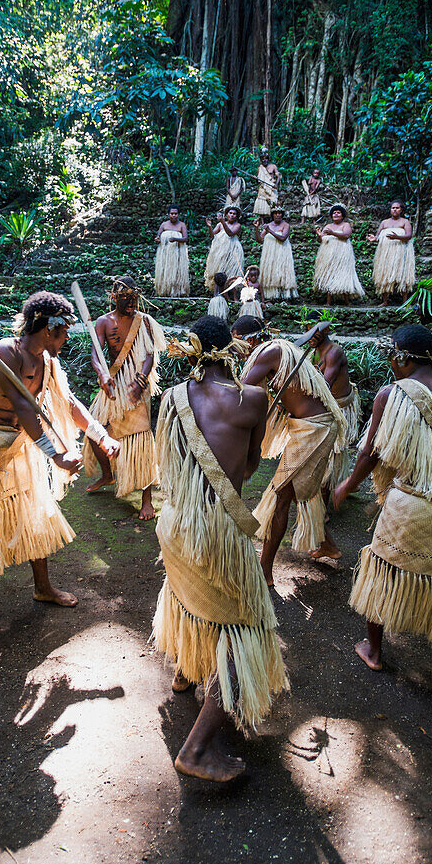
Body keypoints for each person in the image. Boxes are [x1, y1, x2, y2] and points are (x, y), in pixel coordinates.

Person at [0, 291, 121, 643]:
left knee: (35, 514)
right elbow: (22, 405)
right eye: (63, 333)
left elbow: (69, 402)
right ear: (49, 329)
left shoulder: (47, 362)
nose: (66, 340)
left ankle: (43, 588)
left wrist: (100, 436)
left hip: (22, 445)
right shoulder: (5, 353)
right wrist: (56, 455)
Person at [152, 316, 288, 782]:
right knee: (243, 624)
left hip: (176, 521)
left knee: (187, 596)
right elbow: (249, 467)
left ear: (189, 351)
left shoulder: (169, 399)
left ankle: (185, 672)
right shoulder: (252, 400)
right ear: (229, 348)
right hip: (217, 530)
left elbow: (166, 460)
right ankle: (196, 749)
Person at [333, 325, 432, 699]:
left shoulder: (390, 394)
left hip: (407, 501)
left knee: (381, 571)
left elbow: (371, 453)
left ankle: (374, 650)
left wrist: (347, 485)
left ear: (401, 356)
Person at [239, 322, 346, 586]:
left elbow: (241, 391)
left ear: (249, 340)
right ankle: (328, 545)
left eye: (237, 342)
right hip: (311, 426)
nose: (237, 350)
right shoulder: (277, 350)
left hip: (314, 429)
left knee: (281, 495)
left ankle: (265, 570)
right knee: (302, 490)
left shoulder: (269, 352)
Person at [82, 276, 166, 521]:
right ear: (115, 298)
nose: (131, 305)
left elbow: (150, 354)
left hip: (137, 384)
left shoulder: (145, 322)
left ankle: (147, 500)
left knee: (140, 440)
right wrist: (102, 375)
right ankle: (108, 475)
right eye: (126, 300)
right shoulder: (103, 322)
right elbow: (96, 354)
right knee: (95, 430)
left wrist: (140, 380)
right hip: (113, 383)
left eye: (134, 300)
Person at [306, 320, 361, 504]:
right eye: (307, 332)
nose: (310, 337)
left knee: (331, 452)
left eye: (314, 333)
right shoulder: (314, 351)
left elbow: (324, 386)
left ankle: (323, 504)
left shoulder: (334, 352)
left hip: (340, 406)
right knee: (334, 450)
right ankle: (347, 482)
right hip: (330, 403)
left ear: (326, 330)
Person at [312, 204, 365, 305]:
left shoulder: (345, 225)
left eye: (338, 212)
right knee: (328, 274)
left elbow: (346, 235)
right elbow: (321, 240)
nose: (336, 214)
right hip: (328, 254)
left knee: (343, 275)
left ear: (342, 215)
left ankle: (347, 301)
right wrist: (319, 236)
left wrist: (332, 233)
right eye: (334, 212)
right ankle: (328, 302)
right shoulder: (328, 226)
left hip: (342, 253)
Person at [368, 200, 415, 306]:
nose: (395, 210)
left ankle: (404, 301)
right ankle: (385, 301)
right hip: (385, 253)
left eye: (397, 208)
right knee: (384, 274)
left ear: (401, 210)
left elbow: (408, 236)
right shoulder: (384, 222)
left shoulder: (405, 222)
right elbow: (378, 236)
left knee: (403, 275)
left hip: (400, 252)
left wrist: (397, 237)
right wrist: (373, 239)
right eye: (393, 208)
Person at [254, 207, 298, 300]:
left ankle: (285, 296)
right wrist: (256, 228)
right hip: (270, 253)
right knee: (271, 271)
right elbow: (260, 240)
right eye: (275, 213)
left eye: (280, 213)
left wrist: (270, 231)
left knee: (283, 271)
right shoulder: (268, 225)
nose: (278, 215)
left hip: (282, 251)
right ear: (272, 215)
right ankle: (272, 296)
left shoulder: (285, 225)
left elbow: (283, 238)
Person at [204, 205, 245, 291]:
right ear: (226, 214)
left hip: (232, 250)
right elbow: (212, 235)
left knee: (231, 271)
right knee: (219, 269)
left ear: (237, 216)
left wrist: (223, 222)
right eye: (230, 213)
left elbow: (230, 233)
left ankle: (231, 293)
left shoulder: (237, 225)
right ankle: (217, 291)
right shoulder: (220, 225)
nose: (232, 215)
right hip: (220, 250)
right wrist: (209, 227)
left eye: (234, 214)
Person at [154, 206, 189, 297]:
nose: (174, 215)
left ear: (178, 214)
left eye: (175, 214)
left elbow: (185, 239)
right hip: (165, 253)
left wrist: (175, 239)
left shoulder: (182, 225)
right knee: (164, 270)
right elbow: (158, 236)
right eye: (172, 213)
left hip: (178, 253)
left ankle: (177, 291)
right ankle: (164, 290)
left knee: (177, 271)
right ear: (168, 214)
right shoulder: (164, 225)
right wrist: (157, 239)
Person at [253, 148, 281, 218]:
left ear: (268, 159)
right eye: (262, 159)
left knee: (274, 202)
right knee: (261, 203)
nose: (264, 160)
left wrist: (276, 184)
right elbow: (258, 181)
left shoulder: (273, 166)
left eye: (265, 158)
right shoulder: (259, 168)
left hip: (271, 187)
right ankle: (262, 222)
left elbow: (278, 176)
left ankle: (273, 220)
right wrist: (255, 179)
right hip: (263, 188)